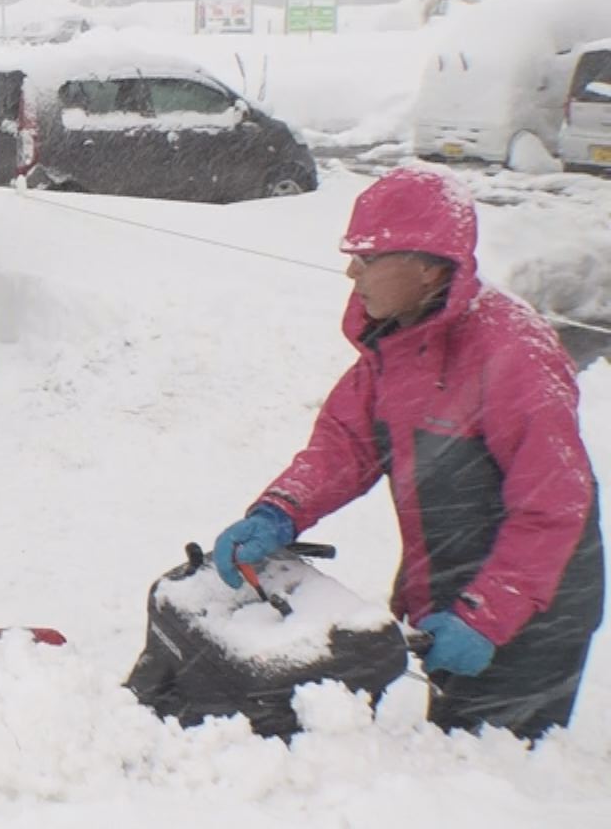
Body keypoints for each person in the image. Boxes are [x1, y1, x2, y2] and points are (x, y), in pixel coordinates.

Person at [213, 166, 603, 740]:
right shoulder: (397, 337)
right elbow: (346, 444)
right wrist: (280, 510)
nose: (352, 271)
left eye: (369, 258)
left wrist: (486, 616)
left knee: (490, 777)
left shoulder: (513, 354)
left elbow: (553, 507)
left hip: (535, 614)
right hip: (453, 589)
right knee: (450, 754)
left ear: (427, 265)